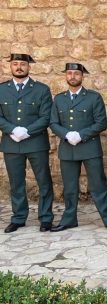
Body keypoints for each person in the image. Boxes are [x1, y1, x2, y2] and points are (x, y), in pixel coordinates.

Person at [49, 63, 107, 232]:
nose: (73, 76)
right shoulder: (59, 99)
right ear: (66, 76)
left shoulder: (93, 97)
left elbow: (101, 123)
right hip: (67, 148)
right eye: (70, 73)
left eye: (76, 73)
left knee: (98, 185)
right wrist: (66, 134)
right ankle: (69, 219)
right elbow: (53, 122)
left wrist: (81, 135)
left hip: (89, 148)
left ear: (82, 76)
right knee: (70, 187)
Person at [0, 53, 54, 233]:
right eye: (15, 64)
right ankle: (18, 217)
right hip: (11, 142)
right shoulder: (2, 89)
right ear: (11, 66)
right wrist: (13, 130)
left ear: (29, 67)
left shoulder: (41, 89)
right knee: (16, 182)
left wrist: (27, 131)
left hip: (36, 143)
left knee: (43, 181)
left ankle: (46, 218)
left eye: (23, 64)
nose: (19, 67)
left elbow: (46, 116)